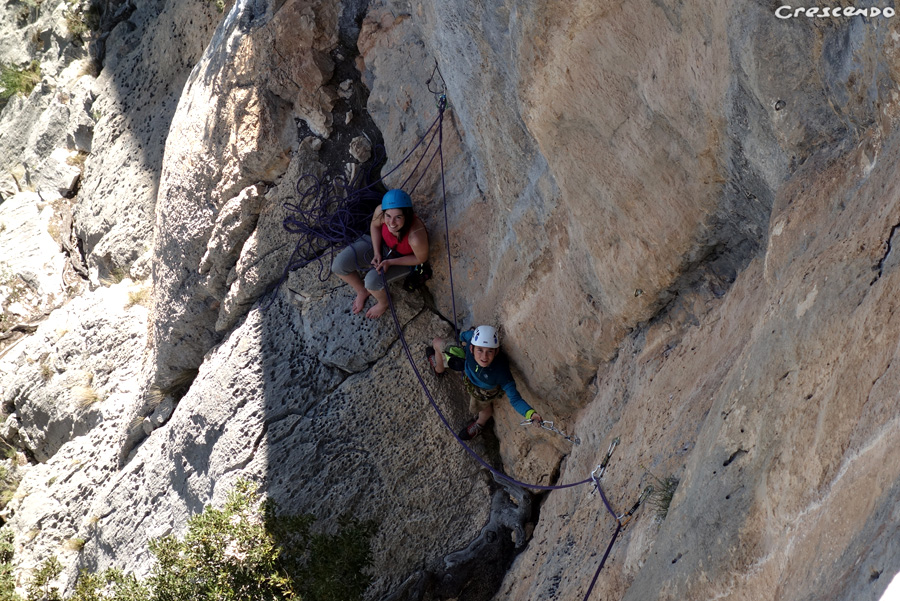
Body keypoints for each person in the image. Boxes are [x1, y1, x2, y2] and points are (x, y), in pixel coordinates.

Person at [427, 325, 543, 440]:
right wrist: (461, 336)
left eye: (490, 351)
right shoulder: (471, 341)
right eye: (480, 350)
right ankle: (439, 369)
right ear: (471, 348)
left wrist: (530, 414)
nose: (484, 357)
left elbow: (515, 400)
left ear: (496, 351)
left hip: (483, 391)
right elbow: (465, 335)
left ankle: (480, 424)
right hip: (468, 368)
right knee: (437, 343)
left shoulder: (501, 373)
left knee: (482, 409)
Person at [331, 189, 429, 319]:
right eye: (388, 216)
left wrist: (390, 262)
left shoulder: (415, 236)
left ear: (407, 215)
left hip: (403, 259)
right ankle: (361, 291)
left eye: (398, 217)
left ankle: (384, 303)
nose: (391, 223)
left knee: (371, 283)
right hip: (382, 244)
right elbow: (375, 226)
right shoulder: (380, 211)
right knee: (339, 265)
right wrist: (377, 253)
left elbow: (420, 258)